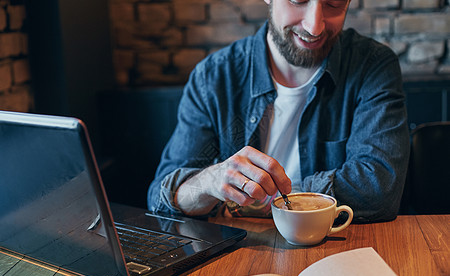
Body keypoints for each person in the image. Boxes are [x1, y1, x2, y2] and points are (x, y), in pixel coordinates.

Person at [147, 0, 410, 223]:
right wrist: (209, 182)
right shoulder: (213, 77)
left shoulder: (373, 66)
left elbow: (379, 189)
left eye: (333, 3)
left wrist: (254, 202)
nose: (314, 26)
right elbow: (162, 198)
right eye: (298, 0)